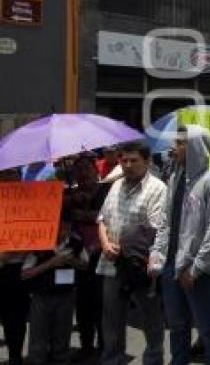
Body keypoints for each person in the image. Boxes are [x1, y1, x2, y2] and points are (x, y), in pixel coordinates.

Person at [148, 125, 210, 365]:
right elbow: (165, 220)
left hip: (195, 271)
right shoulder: (175, 177)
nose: (174, 148)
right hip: (171, 267)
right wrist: (157, 254)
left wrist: (196, 268)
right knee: (177, 325)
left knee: (207, 327)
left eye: (181, 143)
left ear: (195, 146)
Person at [98, 141, 167, 365]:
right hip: (111, 264)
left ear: (147, 161)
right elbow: (101, 219)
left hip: (141, 267)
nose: (128, 165)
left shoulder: (157, 189)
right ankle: (112, 360)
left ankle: (153, 360)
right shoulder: (116, 186)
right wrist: (105, 243)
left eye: (133, 160)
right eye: (124, 160)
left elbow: (156, 229)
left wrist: (129, 247)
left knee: (150, 320)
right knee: (112, 321)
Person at [22, 209, 89, 365]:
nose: (62, 232)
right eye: (59, 228)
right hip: (42, 295)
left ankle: (61, 359)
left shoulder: (75, 242)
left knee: (62, 335)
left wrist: (71, 261)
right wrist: (51, 263)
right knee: (38, 336)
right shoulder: (39, 243)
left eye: (65, 228)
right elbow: (25, 274)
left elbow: (85, 265)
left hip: (66, 294)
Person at [68, 153, 109, 361]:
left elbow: (107, 216)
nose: (83, 173)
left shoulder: (106, 191)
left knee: (102, 303)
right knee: (82, 305)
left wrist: (85, 214)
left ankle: (105, 345)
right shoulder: (68, 195)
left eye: (87, 168)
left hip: (101, 256)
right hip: (76, 259)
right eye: (79, 169)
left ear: (96, 170)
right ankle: (86, 346)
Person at [0, 168, 29, 365]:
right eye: (4, 174)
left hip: (19, 268)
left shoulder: (33, 200)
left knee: (16, 318)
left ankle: (15, 357)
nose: (9, 178)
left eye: (13, 174)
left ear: (20, 176)